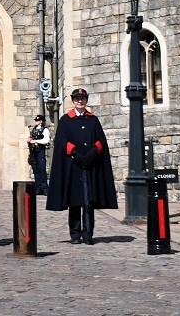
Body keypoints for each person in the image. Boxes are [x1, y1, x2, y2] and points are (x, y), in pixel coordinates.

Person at [46, 88, 117, 245]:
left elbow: (100, 141)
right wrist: (76, 154)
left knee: (88, 202)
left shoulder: (93, 120)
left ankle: (88, 234)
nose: (80, 101)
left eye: (83, 98)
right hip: (74, 166)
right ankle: (75, 234)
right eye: (77, 99)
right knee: (75, 202)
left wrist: (91, 153)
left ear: (86, 100)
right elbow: (61, 141)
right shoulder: (66, 120)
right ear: (73, 101)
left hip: (90, 166)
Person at [27, 114, 51, 195]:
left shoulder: (45, 130)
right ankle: (38, 187)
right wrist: (30, 140)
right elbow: (32, 138)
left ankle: (44, 187)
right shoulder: (33, 129)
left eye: (37, 120)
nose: (36, 122)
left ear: (41, 121)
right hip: (33, 151)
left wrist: (36, 141)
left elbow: (46, 140)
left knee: (41, 169)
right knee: (35, 169)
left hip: (40, 150)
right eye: (36, 120)